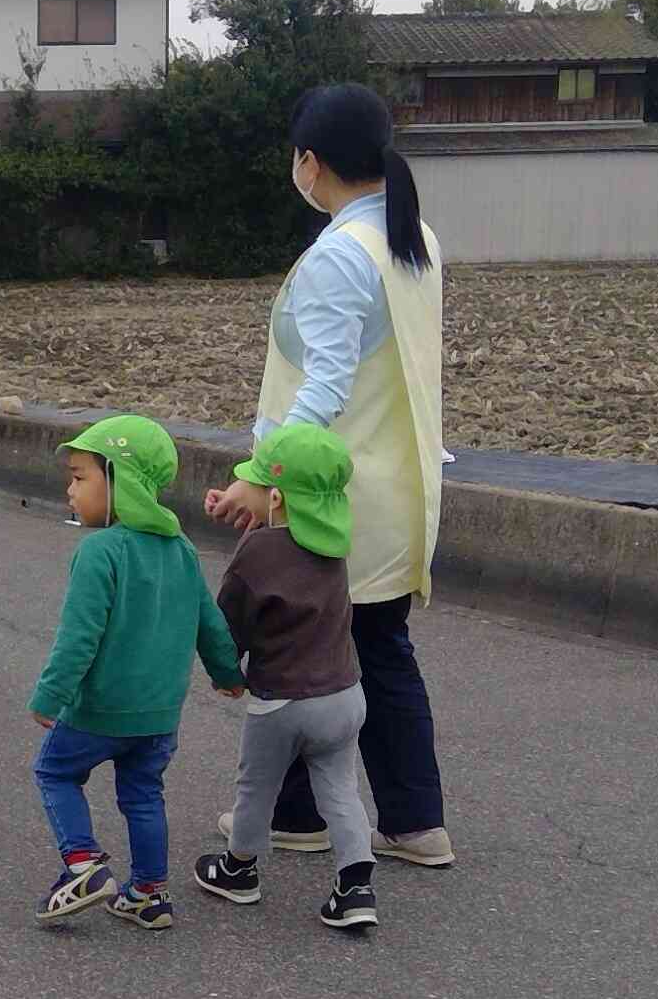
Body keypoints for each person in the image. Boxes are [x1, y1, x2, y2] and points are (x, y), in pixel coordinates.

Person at [203, 83, 455, 871]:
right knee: (374, 650)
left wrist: (258, 471)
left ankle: (296, 813)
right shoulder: (413, 238)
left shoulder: (340, 256)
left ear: (311, 163)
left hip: (334, 493)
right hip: (398, 483)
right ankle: (415, 821)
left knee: (299, 655)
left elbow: (323, 387)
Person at [30, 416, 244, 931]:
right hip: (158, 715)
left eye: (81, 477)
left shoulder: (100, 552)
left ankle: (81, 864)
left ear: (119, 481)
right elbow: (209, 622)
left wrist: (50, 695)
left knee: (55, 772)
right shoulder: (182, 550)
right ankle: (149, 894)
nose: (70, 490)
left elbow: (79, 638)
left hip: (99, 710)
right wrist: (227, 672)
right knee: (144, 795)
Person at [192, 423, 379, 931]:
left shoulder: (258, 553)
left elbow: (229, 624)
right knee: (340, 789)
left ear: (275, 497)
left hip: (283, 702)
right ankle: (356, 885)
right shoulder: (336, 544)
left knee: (256, 788)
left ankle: (239, 869)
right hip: (345, 694)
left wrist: (226, 674)